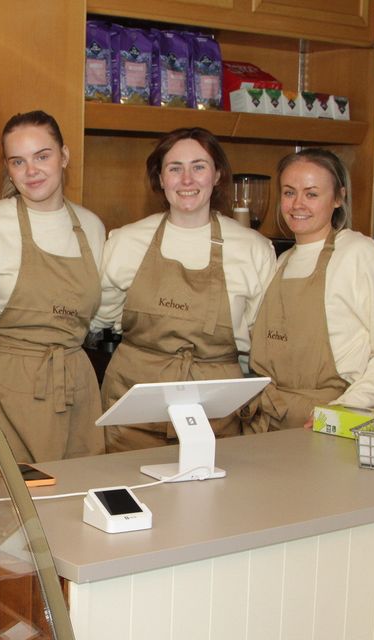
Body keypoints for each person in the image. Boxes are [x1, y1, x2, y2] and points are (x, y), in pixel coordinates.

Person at [93, 127, 276, 452]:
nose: (187, 179)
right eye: (175, 168)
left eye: (199, 166)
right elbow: (98, 317)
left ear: (217, 175)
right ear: (160, 178)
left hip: (216, 410)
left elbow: (262, 340)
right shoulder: (125, 241)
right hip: (135, 406)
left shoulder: (253, 249)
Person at [0, 110, 106, 463]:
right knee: (6, 508)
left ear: (64, 156)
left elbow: (100, 317)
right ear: (9, 169)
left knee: (77, 502)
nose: (32, 171)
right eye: (18, 161)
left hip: (75, 386)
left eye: (43, 156)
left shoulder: (92, 227)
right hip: (3, 388)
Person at [243, 149, 374, 431]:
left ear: (339, 197)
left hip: (328, 425)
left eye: (312, 194)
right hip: (269, 423)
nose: (297, 204)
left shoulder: (359, 253)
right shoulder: (282, 261)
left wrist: (342, 411)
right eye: (289, 193)